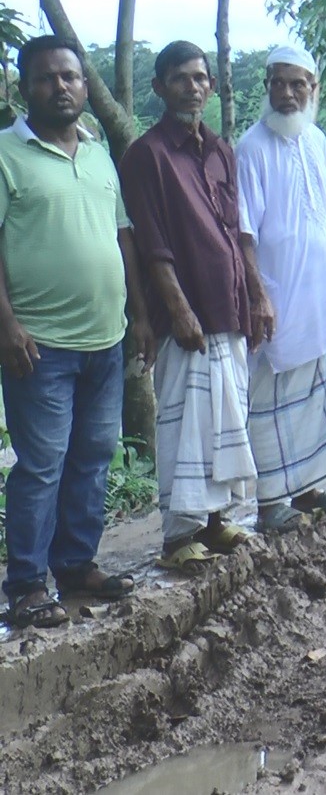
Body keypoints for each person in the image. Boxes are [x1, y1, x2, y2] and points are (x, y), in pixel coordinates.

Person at [0, 35, 153, 626]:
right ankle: (26, 586)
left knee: (93, 455)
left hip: (105, 339)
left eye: (69, 76)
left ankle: (76, 564)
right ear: (23, 87)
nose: (59, 87)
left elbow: (123, 238)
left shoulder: (96, 155)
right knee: (41, 463)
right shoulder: (6, 155)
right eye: (45, 78)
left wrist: (139, 316)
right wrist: (6, 324)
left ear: (85, 87)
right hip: (38, 343)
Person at [120, 41, 266, 572]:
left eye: (200, 77)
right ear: (159, 86)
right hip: (186, 315)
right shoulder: (147, 155)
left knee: (224, 416)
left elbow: (235, 230)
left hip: (226, 305)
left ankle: (213, 520)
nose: (193, 86)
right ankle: (179, 534)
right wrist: (178, 311)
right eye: (180, 78)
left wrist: (254, 292)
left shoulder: (220, 149)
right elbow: (152, 241)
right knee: (185, 421)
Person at [234, 44, 326, 532]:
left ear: (313, 90)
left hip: (319, 289)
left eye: (298, 85)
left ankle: (310, 489)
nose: (287, 94)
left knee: (318, 387)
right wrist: (258, 295)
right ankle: (271, 504)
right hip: (279, 293)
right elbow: (244, 231)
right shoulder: (250, 148)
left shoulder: (317, 140)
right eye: (278, 83)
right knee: (271, 398)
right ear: (266, 85)